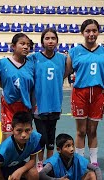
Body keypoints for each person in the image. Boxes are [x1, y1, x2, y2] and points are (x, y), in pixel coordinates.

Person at [65, 19, 104, 167]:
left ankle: (93, 161)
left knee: (92, 130)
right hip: (80, 93)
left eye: (94, 31)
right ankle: (78, 161)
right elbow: (65, 72)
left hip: (98, 94)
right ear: (82, 33)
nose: (91, 34)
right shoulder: (73, 52)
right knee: (81, 130)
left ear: (98, 32)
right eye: (88, 31)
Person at [29, 28, 67, 171]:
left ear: (57, 41)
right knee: (42, 137)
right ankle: (40, 163)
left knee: (51, 137)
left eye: (53, 38)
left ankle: (49, 164)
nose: (50, 41)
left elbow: (66, 72)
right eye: (47, 38)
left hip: (55, 103)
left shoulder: (62, 58)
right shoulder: (34, 58)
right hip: (39, 103)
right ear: (42, 41)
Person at [0, 33, 34, 142]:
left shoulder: (31, 64)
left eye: (28, 45)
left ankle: (22, 159)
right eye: (22, 44)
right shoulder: (3, 63)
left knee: (23, 137)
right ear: (13, 46)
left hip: (24, 106)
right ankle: (4, 159)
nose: (26, 47)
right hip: (8, 105)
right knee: (7, 138)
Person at [0, 111, 41, 180]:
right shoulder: (5, 148)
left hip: (16, 165)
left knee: (33, 173)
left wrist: (19, 171)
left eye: (27, 130)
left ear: (32, 129)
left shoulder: (34, 138)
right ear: (12, 130)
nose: (23, 135)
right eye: (19, 130)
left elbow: (32, 160)